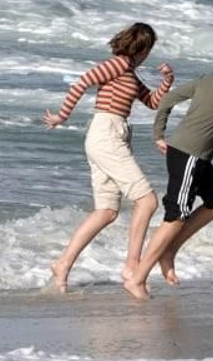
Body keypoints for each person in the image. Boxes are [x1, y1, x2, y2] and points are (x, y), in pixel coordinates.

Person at [126, 37, 213, 300]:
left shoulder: (208, 77)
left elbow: (167, 99)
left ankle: (169, 251)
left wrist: (159, 134)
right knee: (176, 216)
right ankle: (137, 277)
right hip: (190, 156)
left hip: (191, 156)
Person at [42, 23, 175, 292]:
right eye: (149, 48)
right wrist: (61, 117)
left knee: (106, 211)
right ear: (142, 47)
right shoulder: (117, 64)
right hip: (106, 134)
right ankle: (132, 265)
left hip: (112, 135)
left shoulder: (129, 73)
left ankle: (63, 265)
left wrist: (167, 82)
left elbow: (151, 101)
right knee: (147, 200)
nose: (149, 54)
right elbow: (82, 83)